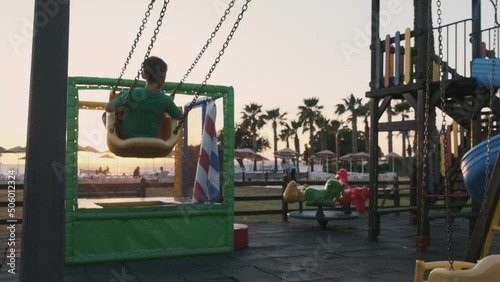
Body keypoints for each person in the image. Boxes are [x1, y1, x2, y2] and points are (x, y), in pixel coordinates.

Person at [105, 56, 183, 139]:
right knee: (163, 115)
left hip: (127, 141)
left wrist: (119, 103)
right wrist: (168, 106)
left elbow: (108, 108)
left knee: (108, 114)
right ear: (163, 78)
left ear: (143, 75)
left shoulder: (133, 93)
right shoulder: (166, 100)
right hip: (152, 143)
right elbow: (180, 116)